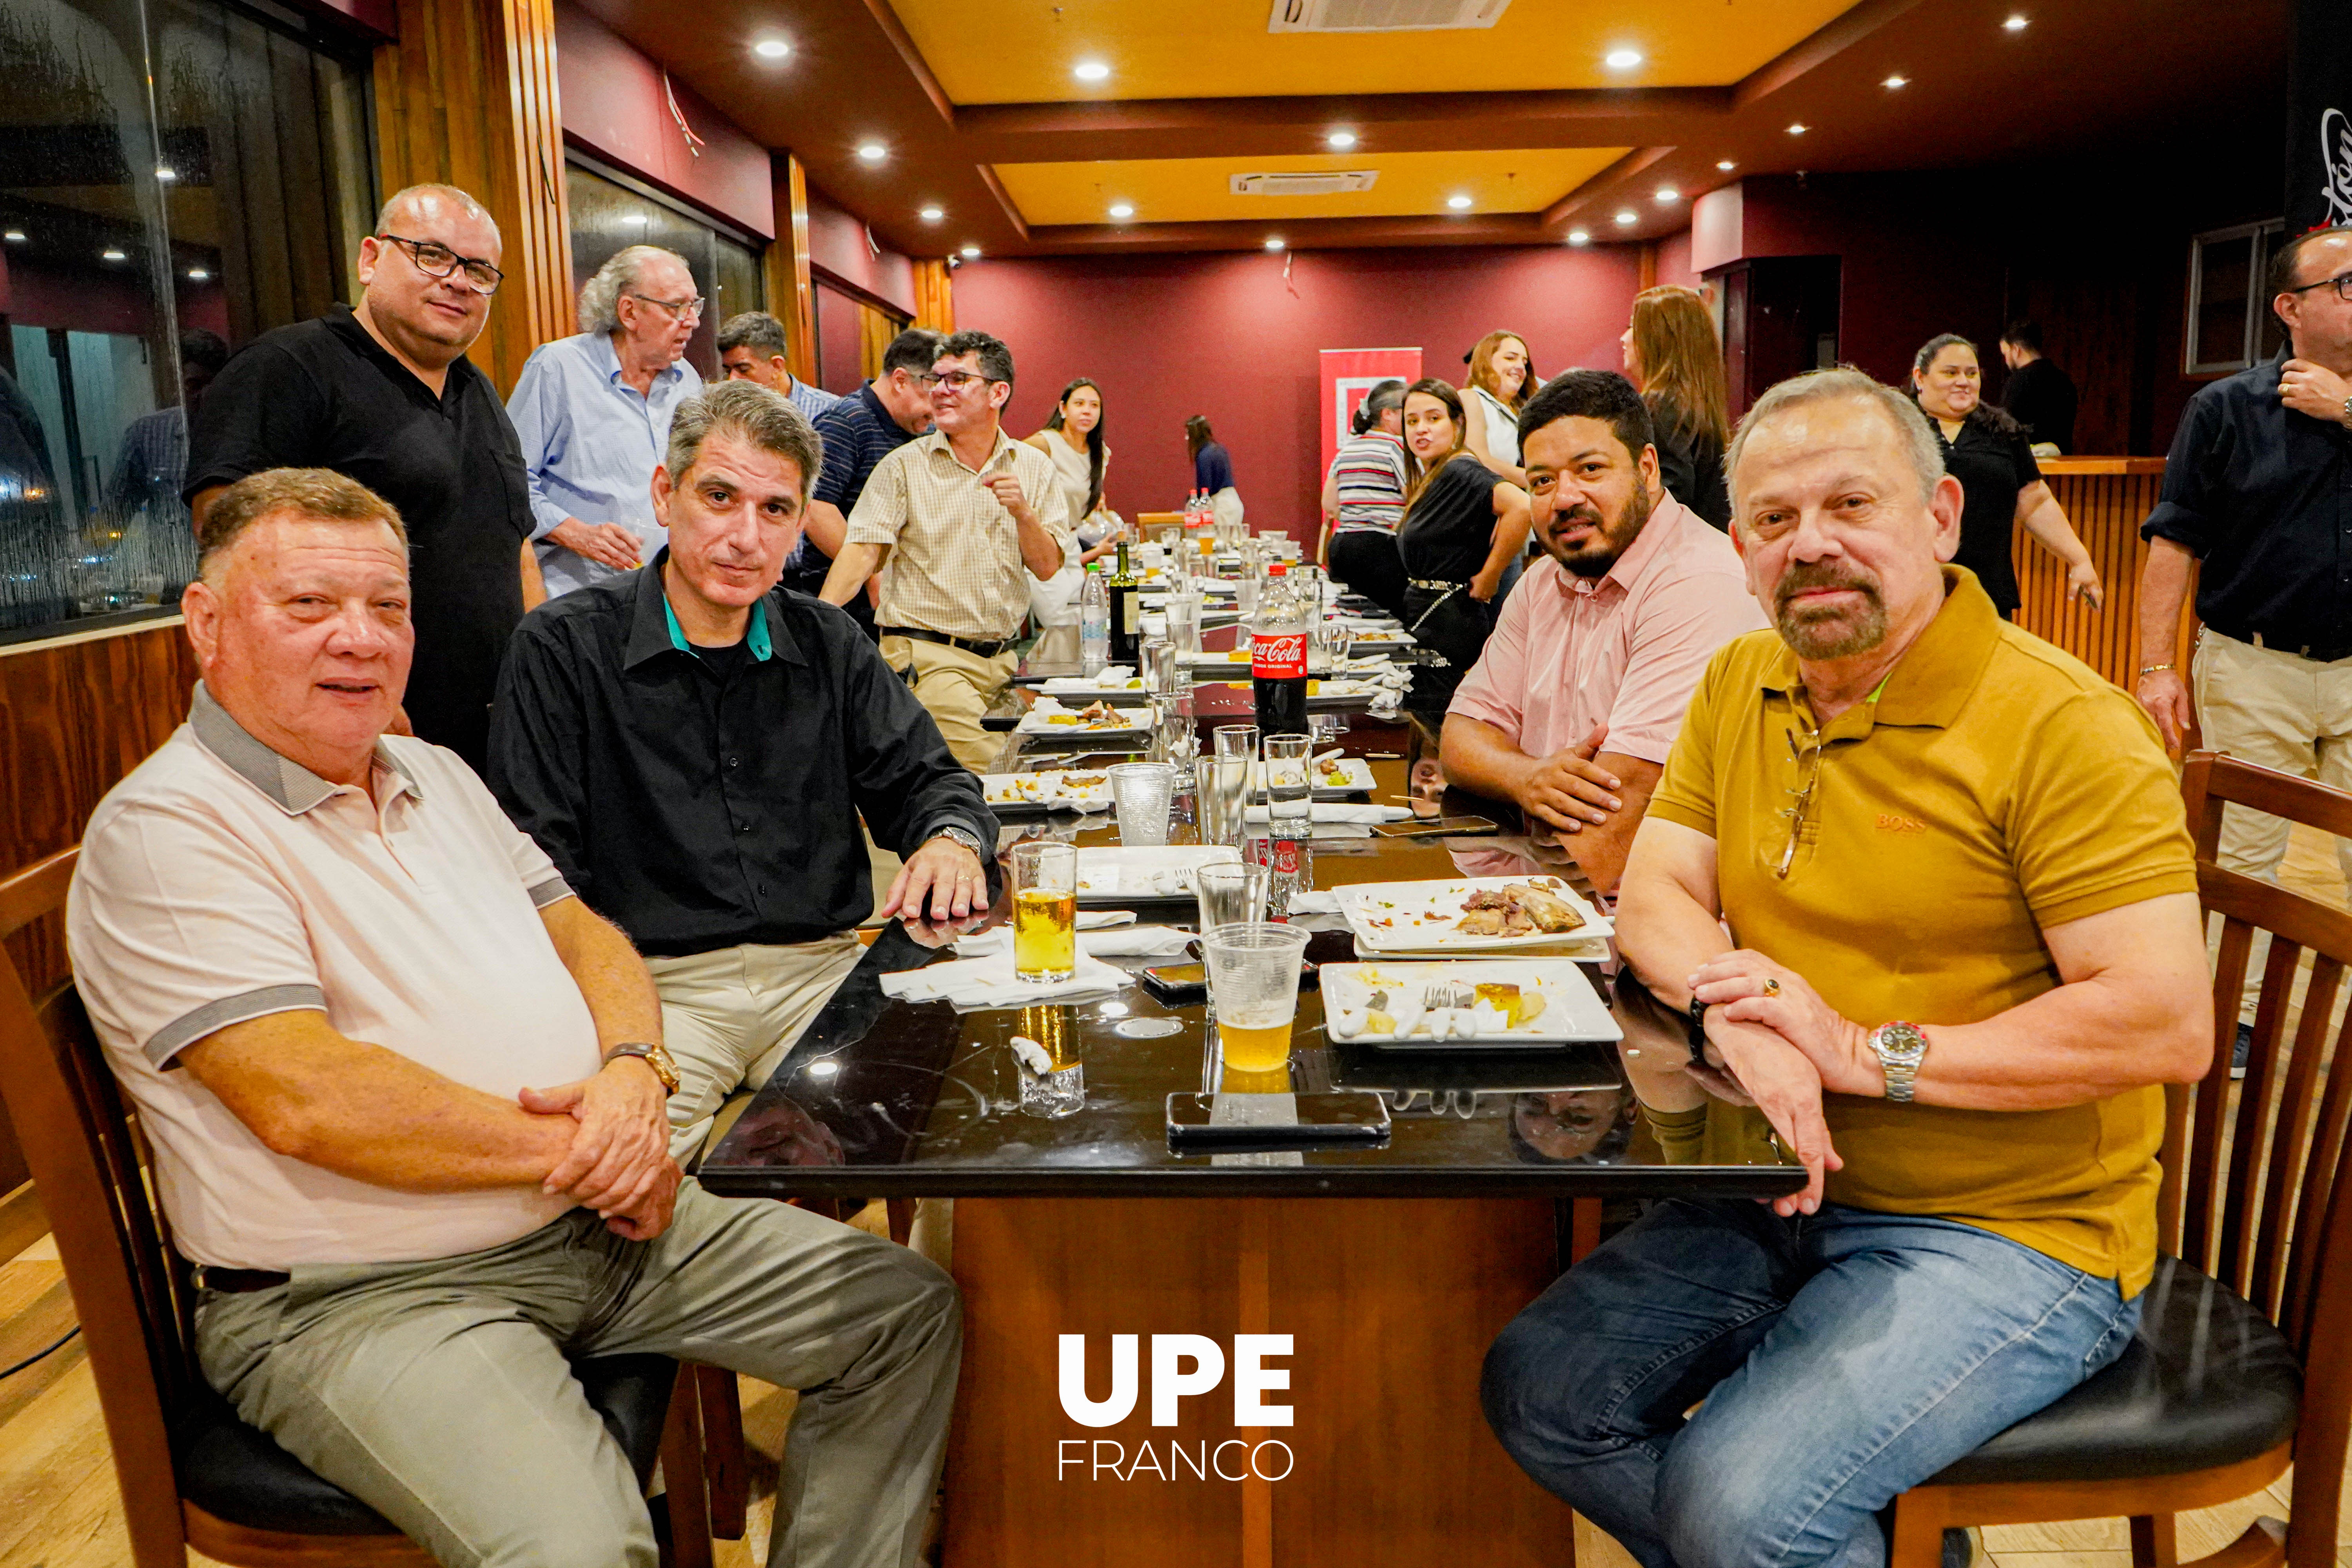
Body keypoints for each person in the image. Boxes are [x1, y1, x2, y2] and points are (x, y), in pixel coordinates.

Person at [69, 465, 961, 1568]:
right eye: (308, 606)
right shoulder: (170, 830)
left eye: (387, 608)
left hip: (587, 1230)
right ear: (206, 624)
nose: (359, 639)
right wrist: (594, 1153)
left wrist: (637, 1070)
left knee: (900, 1310)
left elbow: (586, 934)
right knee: (580, 1549)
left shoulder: (430, 771)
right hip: (368, 1300)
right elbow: (305, 1098)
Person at [1481, 367, 2211, 1568]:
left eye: (1849, 506)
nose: (1808, 545)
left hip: (2008, 1231)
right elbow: (1657, 895)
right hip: (1769, 1184)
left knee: (1740, 1505)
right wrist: (1750, 1018)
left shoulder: (2062, 727)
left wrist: (1857, 1053)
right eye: (1773, 519)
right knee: (1541, 1391)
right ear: (1739, 544)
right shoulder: (1741, 677)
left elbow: (2161, 1023)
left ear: (1938, 518)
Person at [489, 380, 998, 1161]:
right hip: (657, 986)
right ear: (665, 494)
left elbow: (931, 780)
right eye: (720, 497)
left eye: (775, 511)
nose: (745, 537)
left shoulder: (827, 641)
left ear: (800, 523)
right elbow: (543, 868)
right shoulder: (562, 649)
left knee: (960, 1127)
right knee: (620, 1173)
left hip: (820, 973)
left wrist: (951, 839)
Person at [185, 183, 539, 771]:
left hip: (497, 734)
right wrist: (358, 698)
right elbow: (228, 540)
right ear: (371, 258)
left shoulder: (479, 392)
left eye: (479, 271)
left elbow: (515, 544)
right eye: (432, 255)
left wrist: (540, 675)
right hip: (353, 741)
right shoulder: (290, 367)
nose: (457, 280)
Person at [2137, 223, 2352, 1070]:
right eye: (2345, 282)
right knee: (2246, 857)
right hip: (2254, 662)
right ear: (2289, 307)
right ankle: (2233, 1021)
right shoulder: (2225, 409)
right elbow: (2174, 543)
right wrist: (2157, 669)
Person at [1440, 371, 1765, 895]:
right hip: (1559, 897)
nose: (1564, 498)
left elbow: (1613, 830)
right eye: (1542, 481)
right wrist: (1527, 777)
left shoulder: (1697, 581)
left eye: (1589, 470)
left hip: (1656, 931)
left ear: (1647, 468)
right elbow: (1460, 740)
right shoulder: (1542, 581)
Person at [820, 330, 1071, 771]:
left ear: (998, 392)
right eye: (935, 380)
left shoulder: (1033, 468)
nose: (939, 391)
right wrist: (816, 623)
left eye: (957, 379)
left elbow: (1048, 568)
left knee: (1047, 768)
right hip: (928, 659)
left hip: (1003, 663)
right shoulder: (903, 466)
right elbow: (862, 552)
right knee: (998, 778)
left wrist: (1024, 514)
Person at [509, 244, 705, 599]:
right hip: (577, 600)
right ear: (629, 312)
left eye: (695, 305)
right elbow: (508, 481)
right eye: (677, 307)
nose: (693, 320)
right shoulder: (557, 369)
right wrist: (575, 532)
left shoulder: (688, 381)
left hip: (665, 597)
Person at [1909, 333, 2103, 619]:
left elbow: (2035, 502)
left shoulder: (2003, 431)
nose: (1963, 381)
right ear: (1920, 378)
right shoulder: (1895, 428)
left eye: (1971, 373)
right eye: (1950, 373)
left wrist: (2079, 559)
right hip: (1909, 592)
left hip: (1987, 593)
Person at [788, 327, 942, 639]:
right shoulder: (844, 421)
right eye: (933, 392)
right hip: (850, 608)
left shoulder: (924, 432)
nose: (939, 408)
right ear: (900, 380)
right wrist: (873, 573)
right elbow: (816, 509)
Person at [1395, 378, 1530, 704]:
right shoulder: (1437, 475)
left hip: (1450, 619)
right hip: (1436, 618)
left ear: (1457, 424)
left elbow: (1522, 507)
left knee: (1439, 717)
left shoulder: (1461, 470)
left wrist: (1490, 575)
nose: (1421, 430)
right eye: (1412, 422)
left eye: (1433, 418)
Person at [1622, 286, 1732, 530]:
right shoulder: (1693, 403)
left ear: (1657, 339)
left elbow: (1669, 498)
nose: (1624, 338)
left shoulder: (1660, 407)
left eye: (1633, 327)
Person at [110, 328, 229, 522]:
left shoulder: (246, 430)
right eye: (194, 385)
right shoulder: (146, 435)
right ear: (179, 384)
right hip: (171, 551)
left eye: (213, 386)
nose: (204, 395)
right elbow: (114, 516)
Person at [1318, 378, 1410, 619]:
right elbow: (1413, 495)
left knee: (1350, 618)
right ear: (1388, 414)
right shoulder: (1396, 448)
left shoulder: (1347, 450)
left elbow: (1329, 504)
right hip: (1380, 547)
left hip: (1342, 545)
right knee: (1389, 622)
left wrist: (1356, 514)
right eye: (1409, 413)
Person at [1024, 376, 1120, 562]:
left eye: (1094, 406)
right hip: (1042, 545)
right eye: (1079, 404)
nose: (1087, 411)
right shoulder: (1044, 444)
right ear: (1063, 409)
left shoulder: (1099, 452)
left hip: (1072, 543)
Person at [717, 310, 842, 425]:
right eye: (728, 371)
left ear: (777, 366)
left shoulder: (830, 413)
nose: (732, 380)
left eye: (743, 369)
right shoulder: (727, 414)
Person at [1459, 328, 1535, 487]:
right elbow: (1478, 460)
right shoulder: (1470, 398)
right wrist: (1538, 479)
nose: (1521, 367)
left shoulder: (1525, 410)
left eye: (1525, 362)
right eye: (1510, 358)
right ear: (1486, 361)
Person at [1998, 319, 2079, 455]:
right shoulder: (2065, 381)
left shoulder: (2017, 382)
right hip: (2063, 468)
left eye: (2006, 354)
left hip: (2028, 467)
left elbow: (2003, 429)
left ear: (2016, 350)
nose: (2006, 360)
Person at [1186, 414, 1243, 531]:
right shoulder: (1220, 449)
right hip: (1234, 502)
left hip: (1221, 507)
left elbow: (1205, 489)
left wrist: (1190, 501)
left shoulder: (1203, 456)